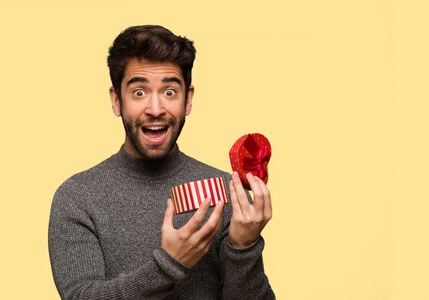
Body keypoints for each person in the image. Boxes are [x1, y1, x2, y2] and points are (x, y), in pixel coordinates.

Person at [48, 25, 275, 300]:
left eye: (169, 92)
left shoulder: (227, 194)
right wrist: (168, 266)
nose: (155, 110)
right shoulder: (77, 197)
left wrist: (243, 247)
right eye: (139, 92)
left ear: (188, 100)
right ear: (116, 100)